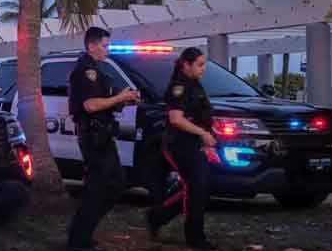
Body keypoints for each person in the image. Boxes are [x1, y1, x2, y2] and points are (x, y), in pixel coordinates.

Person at [67, 27, 140, 251]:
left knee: (115, 184)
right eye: (105, 45)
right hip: (93, 135)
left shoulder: (99, 71)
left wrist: (125, 99)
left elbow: (104, 101)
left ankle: (80, 231)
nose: (107, 49)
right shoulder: (85, 70)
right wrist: (119, 97)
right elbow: (90, 105)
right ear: (91, 45)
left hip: (104, 134)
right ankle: (78, 238)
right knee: (99, 188)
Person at [145, 47, 218, 250]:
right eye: (200, 64)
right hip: (180, 144)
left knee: (198, 188)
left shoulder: (194, 84)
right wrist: (202, 134)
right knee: (197, 187)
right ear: (186, 64)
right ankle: (195, 236)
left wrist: (207, 134)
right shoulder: (179, 86)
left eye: (204, 64)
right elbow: (176, 119)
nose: (203, 69)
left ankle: (157, 216)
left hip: (194, 143)